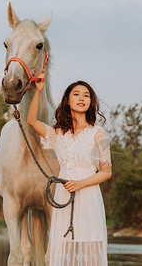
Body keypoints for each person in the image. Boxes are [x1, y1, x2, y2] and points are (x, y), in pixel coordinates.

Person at [27, 72, 112, 266]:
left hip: (88, 195)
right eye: (76, 94)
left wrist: (80, 183)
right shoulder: (58, 133)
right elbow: (31, 121)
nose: (82, 98)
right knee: (63, 245)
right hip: (63, 196)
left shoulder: (97, 134)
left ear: (91, 102)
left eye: (86, 95)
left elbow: (107, 172)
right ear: (67, 100)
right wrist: (38, 91)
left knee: (90, 245)